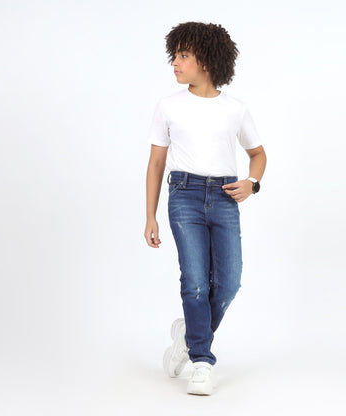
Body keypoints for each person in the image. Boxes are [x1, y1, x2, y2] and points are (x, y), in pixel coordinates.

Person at [144, 21, 267, 395]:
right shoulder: (168, 106)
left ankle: (187, 335)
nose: (175, 62)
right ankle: (202, 361)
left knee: (229, 282)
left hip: (226, 197)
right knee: (195, 281)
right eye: (175, 55)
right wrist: (150, 216)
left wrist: (252, 183)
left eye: (184, 55)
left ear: (208, 61)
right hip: (184, 196)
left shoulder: (235, 109)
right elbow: (156, 163)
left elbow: (258, 154)